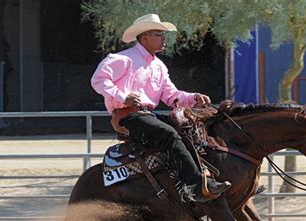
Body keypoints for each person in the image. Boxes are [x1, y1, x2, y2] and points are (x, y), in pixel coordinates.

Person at [91, 14, 231, 202]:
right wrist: (123, 97)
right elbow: (98, 80)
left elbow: (171, 96)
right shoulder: (122, 59)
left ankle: (215, 180)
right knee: (169, 135)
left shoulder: (159, 66)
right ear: (144, 37)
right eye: (159, 34)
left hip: (146, 115)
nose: (164, 38)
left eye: (163, 34)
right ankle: (194, 187)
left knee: (193, 131)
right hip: (126, 116)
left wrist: (193, 98)